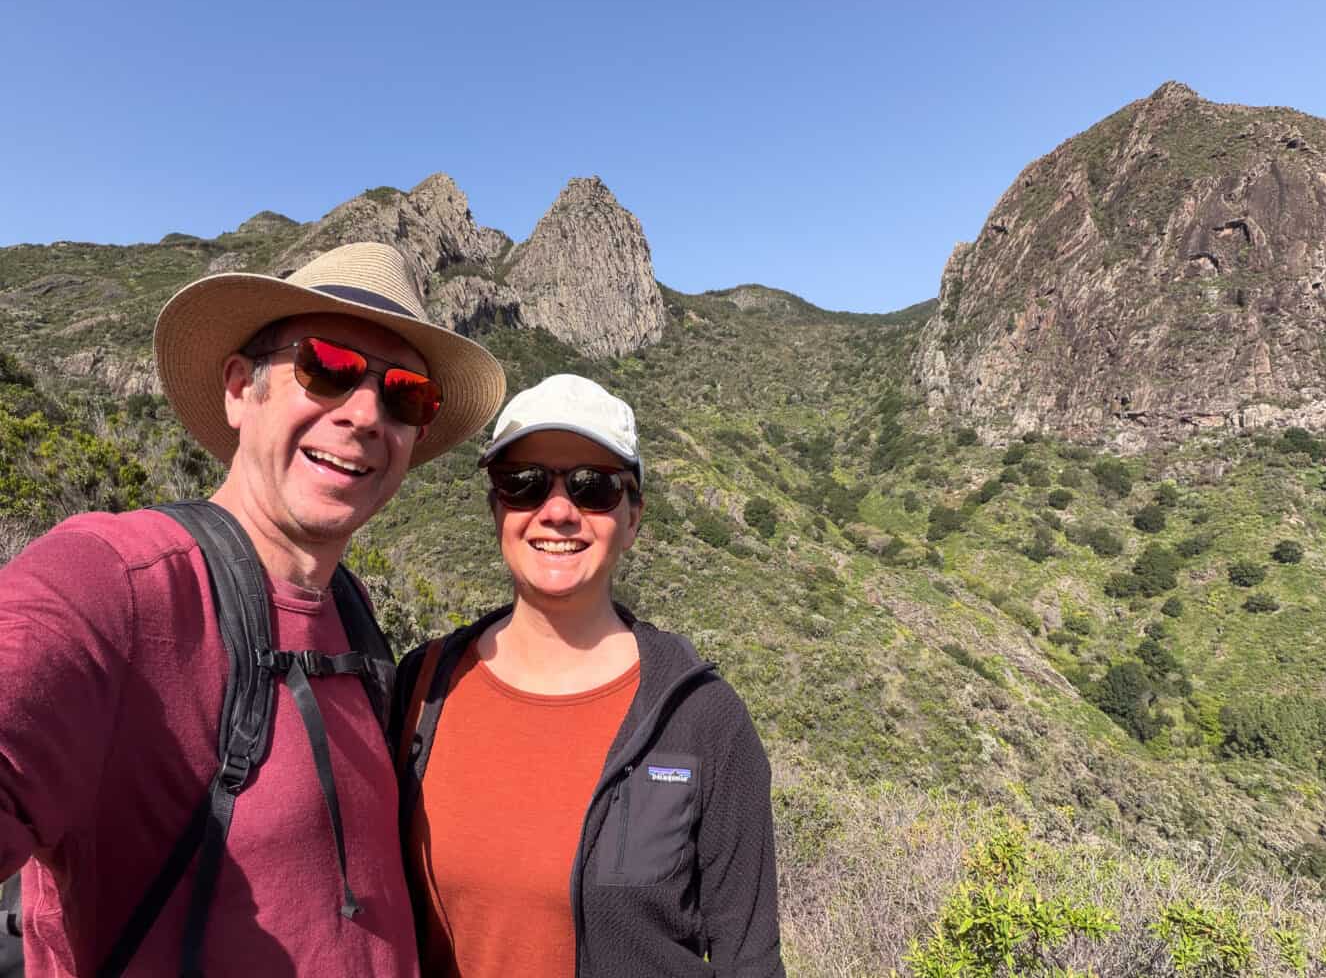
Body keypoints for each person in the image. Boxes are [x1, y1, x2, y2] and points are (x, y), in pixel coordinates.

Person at [0, 242, 506, 976]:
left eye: (403, 395)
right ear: (241, 387)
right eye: (326, 367)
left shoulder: (351, 609)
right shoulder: (114, 581)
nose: (365, 413)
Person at [396, 374, 785, 977]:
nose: (557, 512)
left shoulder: (704, 720)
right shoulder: (422, 691)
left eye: (592, 488)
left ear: (632, 519)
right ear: (496, 508)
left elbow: (750, 961)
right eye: (523, 483)